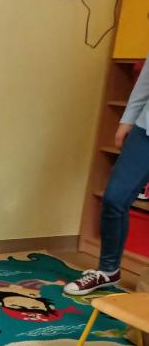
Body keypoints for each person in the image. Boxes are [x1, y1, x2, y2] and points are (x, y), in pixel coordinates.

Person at [64, 54, 149, 295]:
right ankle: (108, 271)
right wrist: (127, 121)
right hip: (145, 130)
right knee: (114, 198)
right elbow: (145, 82)